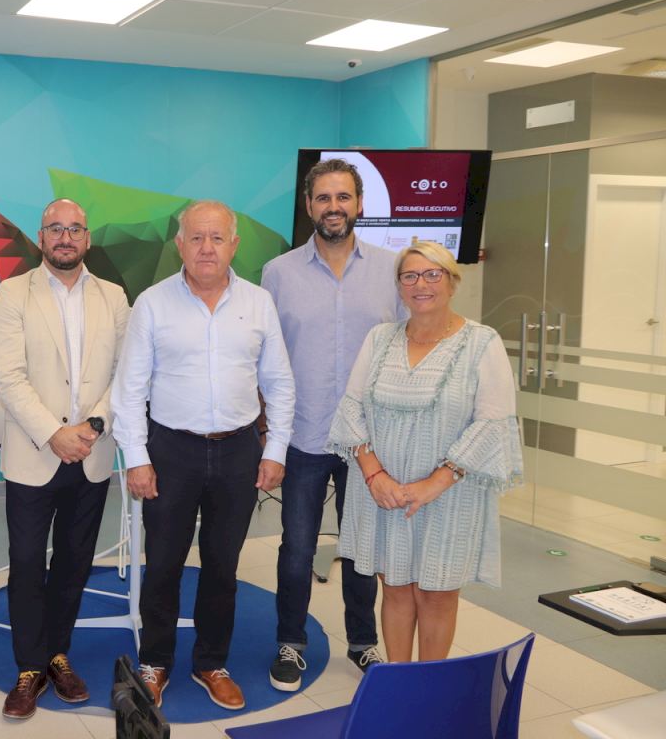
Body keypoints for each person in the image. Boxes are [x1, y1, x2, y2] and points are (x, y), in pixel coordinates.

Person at [112, 200, 295, 711]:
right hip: (171, 450)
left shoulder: (258, 303)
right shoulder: (152, 303)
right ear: (180, 245)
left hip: (238, 449)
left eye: (217, 238)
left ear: (234, 245)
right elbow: (129, 388)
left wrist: (275, 448)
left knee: (222, 565)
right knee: (164, 564)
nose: (206, 248)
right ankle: (155, 661)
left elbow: (279, 382)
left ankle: (211, 662)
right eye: (196, 237)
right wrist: (137, 457)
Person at [327, 241, 521, 663]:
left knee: (436, 593)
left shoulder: (482, 342)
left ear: (452, 282)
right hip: (384, 493)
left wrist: (435, 483)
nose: (421, 284)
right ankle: (400, 683)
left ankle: (429, 689)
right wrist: (375, 475)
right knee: (395, 588)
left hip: (449, 495)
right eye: (410, 276)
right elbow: (351, 407)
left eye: (433, 274)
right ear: (399, 286)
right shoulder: (380, 338)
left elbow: (493, 423)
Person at [260, 158, 405, 691]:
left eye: (343, 197)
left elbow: (407, 350)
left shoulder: (392, 270)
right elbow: (265, 357)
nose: (333, 207)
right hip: (303, 435)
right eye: (323, 198)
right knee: (297, 549)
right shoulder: (278, 273)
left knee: (362, 549)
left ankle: (363, 643)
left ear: (359, 204)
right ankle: (290, 643)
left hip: (368, 443)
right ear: (308, 206)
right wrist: (266, 433)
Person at [0, 197, 130, 720]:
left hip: (91, 453)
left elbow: (126, 373)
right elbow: (9, 376)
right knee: (27, 564)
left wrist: (92, 426)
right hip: (34, 453)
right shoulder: (13, 294)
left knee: (73, 563)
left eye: (74, 229)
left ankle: (57, 654)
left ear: (87, 238)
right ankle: (29, 667)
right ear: (40, 237)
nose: (65, 237)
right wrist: (54, 433)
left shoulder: (114, 296)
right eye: (55, 229)